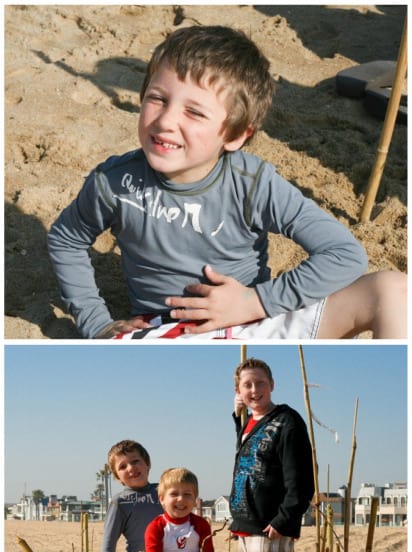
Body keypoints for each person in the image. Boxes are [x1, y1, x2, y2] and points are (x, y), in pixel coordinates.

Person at [47, 25, 406, 341]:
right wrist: (97, 323)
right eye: (158, 98)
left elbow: (346, 255)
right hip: (175, 334)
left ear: (235, 135)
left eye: (194, 111)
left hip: (260, 320)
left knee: (393, 290)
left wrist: (253, 301)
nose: (167, 120)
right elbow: (66, 238)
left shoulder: (253, 183)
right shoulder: (115, 182)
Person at [230, 357, 314, 552]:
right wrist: (236, 412)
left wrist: (283, 520)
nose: (254, 390)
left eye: (260, 383)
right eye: (247, 386)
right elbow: (248, 461)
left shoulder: (287, 422)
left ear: (272, 385)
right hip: (246, 529)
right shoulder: (247, 422)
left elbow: (302, 481)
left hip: (269, 531)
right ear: (238, 391)